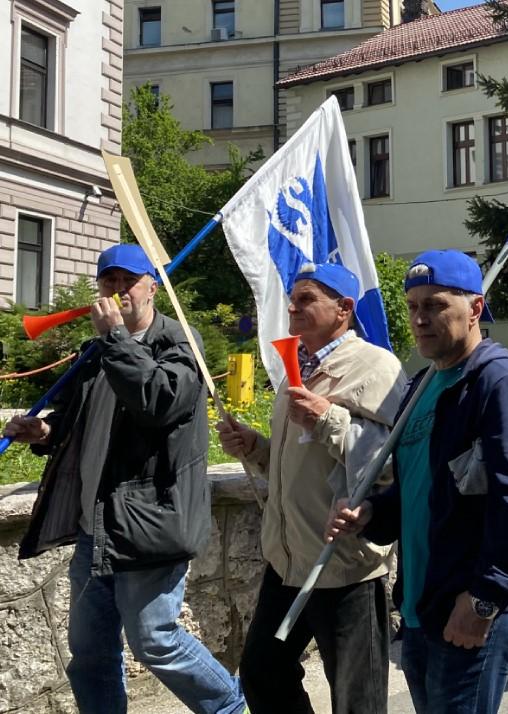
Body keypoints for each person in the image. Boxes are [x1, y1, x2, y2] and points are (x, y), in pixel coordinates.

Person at [4, 244, 245, 713]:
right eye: (108, 281)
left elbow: (159, 402)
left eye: (128, 281)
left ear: (151, 286)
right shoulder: (95, 351)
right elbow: (76, 422)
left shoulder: (178, 343)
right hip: (97, 526)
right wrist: (44, 431)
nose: (118, 291)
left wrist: (116, 339)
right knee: (90, 653)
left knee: (156, 640)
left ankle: (229, 708)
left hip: (151, 523)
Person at [326, 250, 508, 713]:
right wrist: (372, 512)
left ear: (475, 310)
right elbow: (417, 486)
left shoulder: (497, 381)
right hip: (422, 604)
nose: (420, 319)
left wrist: (485, 599)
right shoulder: (421, 385)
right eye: (413, 306)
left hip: (470, 603)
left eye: (436, 305)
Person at [216, 263, 405, 713]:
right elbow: (295, 462)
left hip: (341, 562)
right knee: (262, 673)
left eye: (306, 299)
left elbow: (393, 463)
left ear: (344, 309)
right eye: (293, 299)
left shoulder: (376, 367)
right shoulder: (293, 368)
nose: (293, 307)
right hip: (286, 560)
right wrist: (256, 447)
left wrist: (328, 420)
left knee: (356, 697)